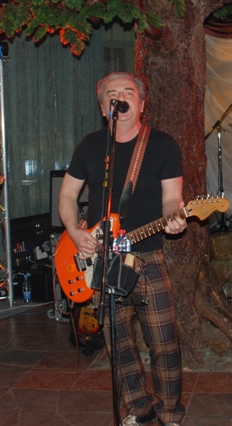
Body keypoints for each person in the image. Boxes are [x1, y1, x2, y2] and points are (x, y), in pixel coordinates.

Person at [58, 72, 187, 426]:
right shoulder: (90, 145)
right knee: (119, 344)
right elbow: (67, 195)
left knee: (164, 342)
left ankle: (170, 416)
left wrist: (175, 217)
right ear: (104, 108)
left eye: (128, 92)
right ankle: (139, 410)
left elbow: (172, 198)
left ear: (141, 104)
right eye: (112, 94)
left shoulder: (162, 145)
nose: (121, 98)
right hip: (100, 257)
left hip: (146, 256)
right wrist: (75, 232)